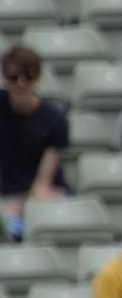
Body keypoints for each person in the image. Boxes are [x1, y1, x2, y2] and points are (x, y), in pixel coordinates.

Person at [0, 44, 65, 237]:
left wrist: (20, 206)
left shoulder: (54, 119)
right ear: (5, 78)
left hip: (37, 195)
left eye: (28, 77)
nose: (21, 84)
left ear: (37, 78)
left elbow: (43, 183)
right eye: (14, 78)